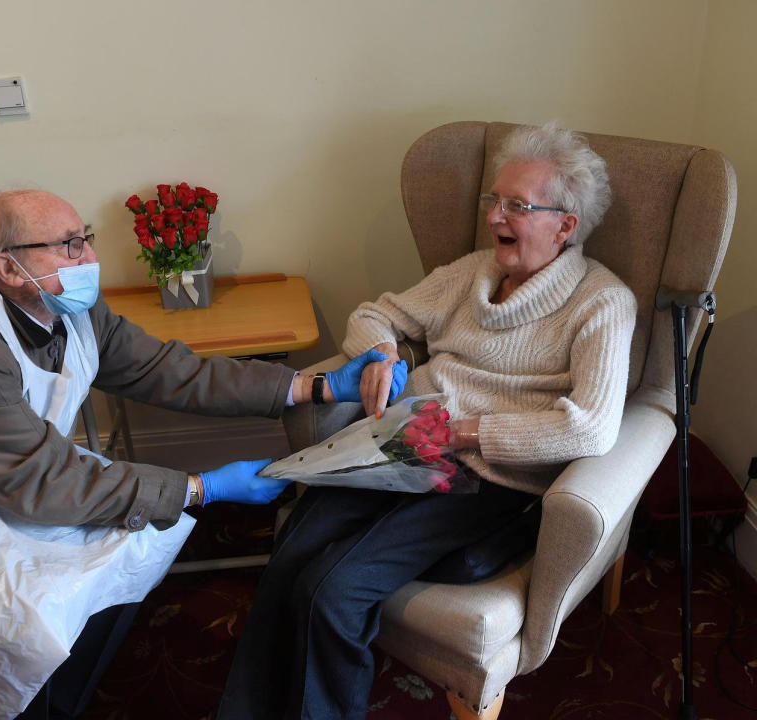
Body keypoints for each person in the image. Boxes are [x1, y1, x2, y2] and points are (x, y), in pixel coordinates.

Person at [0, 189, 406, 719]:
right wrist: (202, 487)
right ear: (7, 267)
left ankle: (67, 696)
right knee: (38, 601)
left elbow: (164, 370)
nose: (88, 260)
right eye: (68, 246)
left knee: (135, 537)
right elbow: (42, 483)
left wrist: (313, 386)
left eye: (85, 240)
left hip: (5, 479)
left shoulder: (70, 308)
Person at [217, 122, 639, 719]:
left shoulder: (603, 303)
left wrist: (466, 433)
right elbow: (376, 313)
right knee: (290, 552)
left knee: (333, 591)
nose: (496, 217)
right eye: (494, 200)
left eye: (517, 206)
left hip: (484, 479)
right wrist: (383, 356)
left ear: (565, 225)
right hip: (396, 446)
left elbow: (591, 426)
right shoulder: (471, 273)